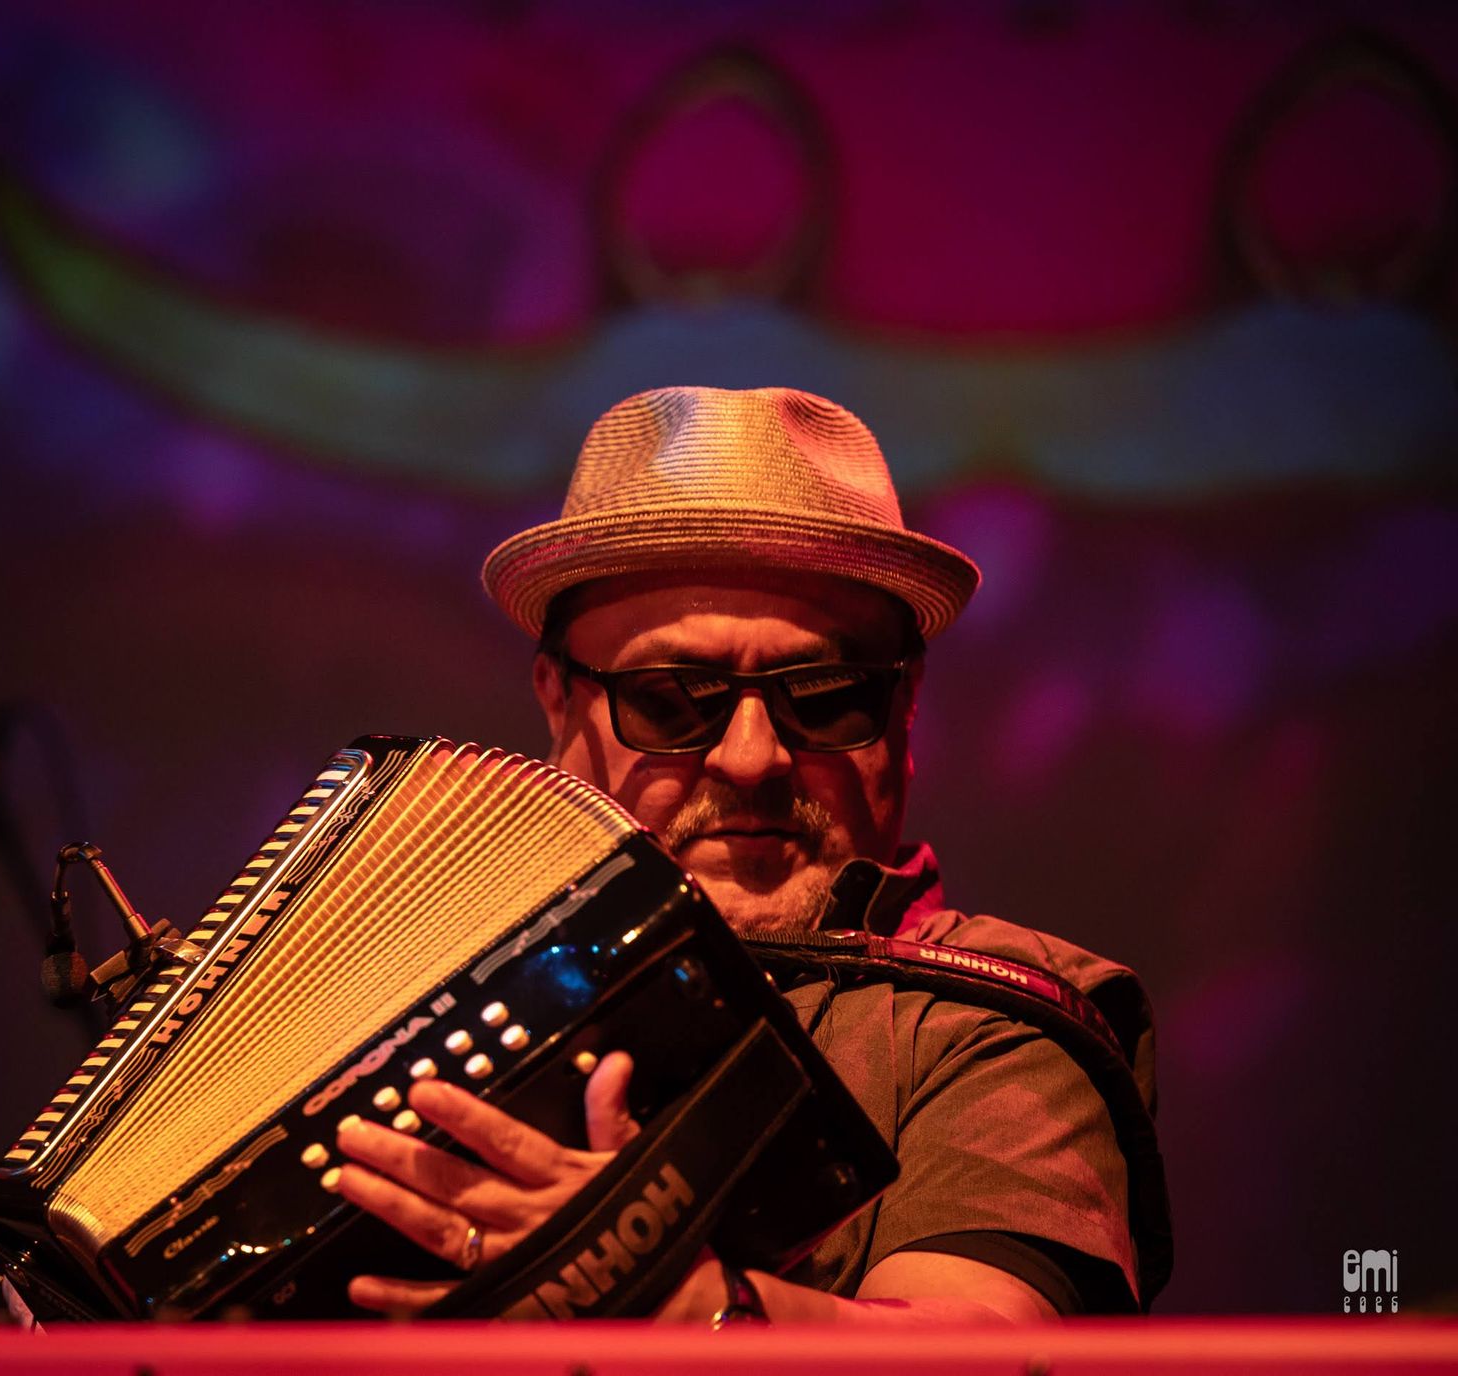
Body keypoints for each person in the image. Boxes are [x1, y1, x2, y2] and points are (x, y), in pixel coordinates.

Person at [328, 386, 1161, 1323]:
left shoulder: (991, 1024)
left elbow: (981, 1353)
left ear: (906, 707)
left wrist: (679, 1305)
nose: (752, 758)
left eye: (828, 695)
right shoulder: (390, 990)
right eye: (673, 699)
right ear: (557, 700)